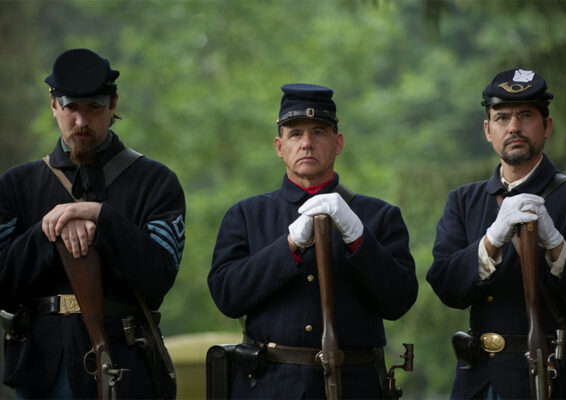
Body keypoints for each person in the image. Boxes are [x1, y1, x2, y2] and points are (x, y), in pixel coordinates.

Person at [208, 83, 418, 398]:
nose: (306, 143)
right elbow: (227, 295)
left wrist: (358, 236)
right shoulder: (247, 215)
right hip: (268, 387)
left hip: (354, 386)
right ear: (279, 146)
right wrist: (288, 245)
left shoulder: (379, 216)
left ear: (338, 143)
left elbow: (399, 300)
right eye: (295, 134)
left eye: (318, 132)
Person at [0, 48, 185, 398]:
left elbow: (158, 278)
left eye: (94, 109)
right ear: (54, 105)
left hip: (126, 366)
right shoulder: (15, 185)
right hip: (41, 371)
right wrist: (47, 230)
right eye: (72, 108)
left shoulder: (156, 182)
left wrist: (103, 218)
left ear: (113, 104)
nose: (82, 122)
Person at [427, 68, 566, 399]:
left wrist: (557, 248)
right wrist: (491, 240)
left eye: (526, 115)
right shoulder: (464, 201)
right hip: (479, 381)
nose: (514, 127)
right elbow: (446, 285)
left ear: (546, 126)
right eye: (502, 117)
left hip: (557, 379)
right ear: (487, 130)